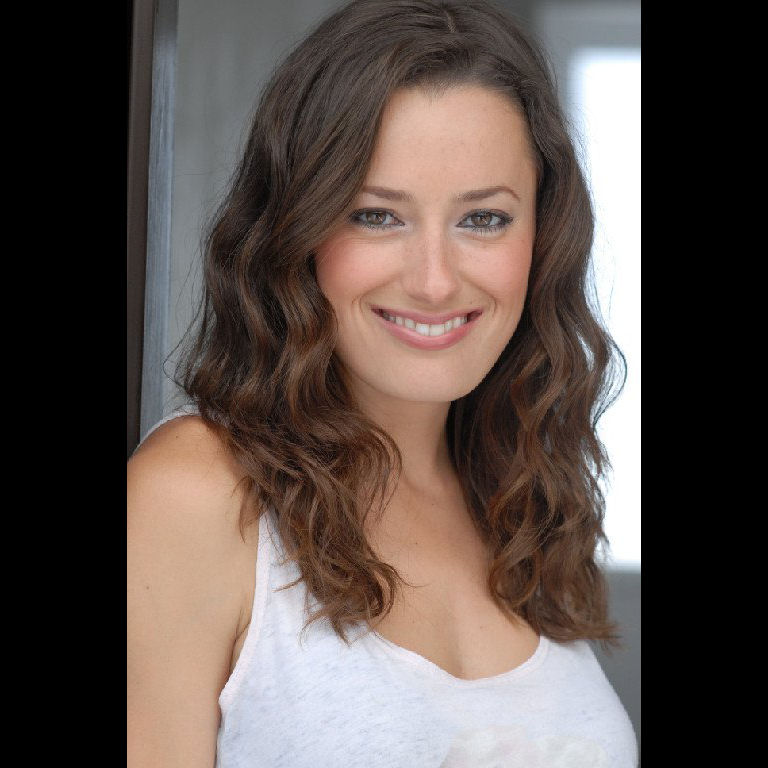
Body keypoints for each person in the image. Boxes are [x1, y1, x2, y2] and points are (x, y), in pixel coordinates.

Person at [127, 0, 637, 765]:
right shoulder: (198, 494)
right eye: (376, 216)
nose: (435, 281)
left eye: (484, 220)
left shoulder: (523, 498)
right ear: (296, 231)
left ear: (545, 237)